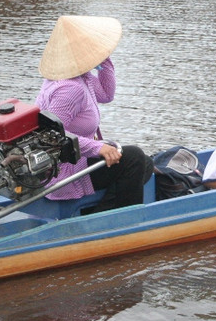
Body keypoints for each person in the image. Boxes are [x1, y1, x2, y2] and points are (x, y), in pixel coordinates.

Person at [35, 15, 154, 212]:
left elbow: (106, 94)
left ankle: (98, 211)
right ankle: (122, 220)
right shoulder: (69, 89)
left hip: (78, 155)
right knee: (134, 158)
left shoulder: (82, 77)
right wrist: (96, 148)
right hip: (66, 168)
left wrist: (105, 59)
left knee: (146, 164)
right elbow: (50, 137)